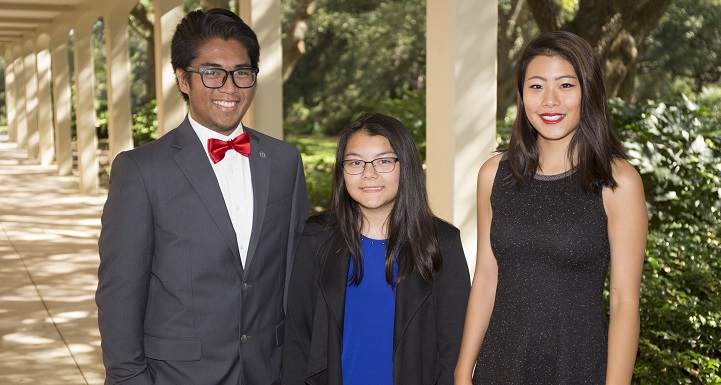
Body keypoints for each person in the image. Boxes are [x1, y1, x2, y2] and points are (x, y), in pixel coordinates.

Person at [96, 8, 308, 385]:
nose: (230, 87)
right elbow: (120, 296)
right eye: (212, 72)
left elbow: (294, 275)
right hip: (178, 375)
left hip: (269, 371)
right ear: (183, 79)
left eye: (242, 72)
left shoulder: (284, 161)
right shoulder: (141, 170)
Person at [454, 31, 648, 385]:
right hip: (500, 364)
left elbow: (624, 302)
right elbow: (485, 277)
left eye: (565, 85)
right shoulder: (494, 175)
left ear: (587, 92)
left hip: (577, 364)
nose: (550, 101)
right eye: (537, 86)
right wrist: (462, 372)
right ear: (522, 96)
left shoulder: (618, 182)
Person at [282, 113, 471, 385]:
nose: (368, 174)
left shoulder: (442, 243)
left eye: (383, 161)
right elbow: (297, 338)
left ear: (405, 167)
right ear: (342, 170)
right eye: (355, 162)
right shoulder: (316, 238)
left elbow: (453, 349)